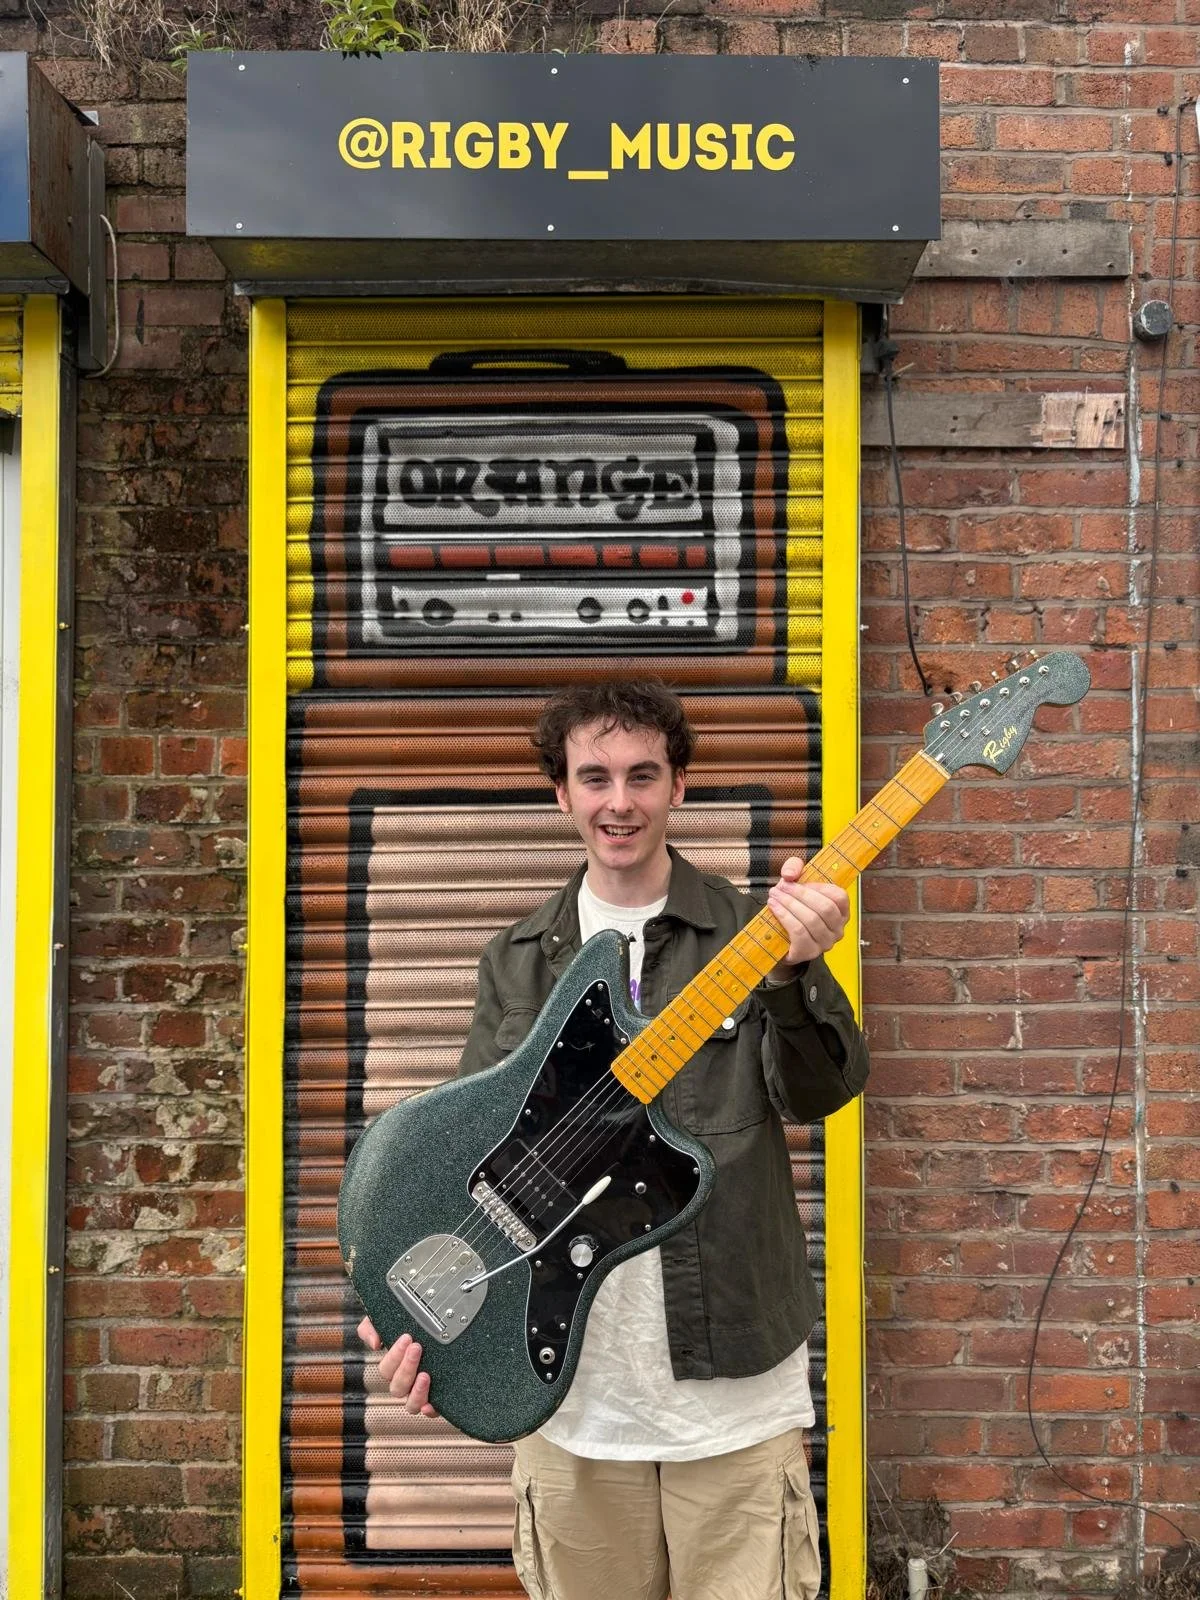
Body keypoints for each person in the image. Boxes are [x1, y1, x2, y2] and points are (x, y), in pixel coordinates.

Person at [359, 679, 869, 1600]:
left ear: (679, 786)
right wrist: (418, 1308)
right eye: (594, 778)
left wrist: (797, 978)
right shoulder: (517, 959)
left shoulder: (754, 937)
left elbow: (819, 1093)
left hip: (734, 1395)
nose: (619, 801)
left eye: (643, 775)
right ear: (562, 794)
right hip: (570, 1405)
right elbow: (463, 1157)